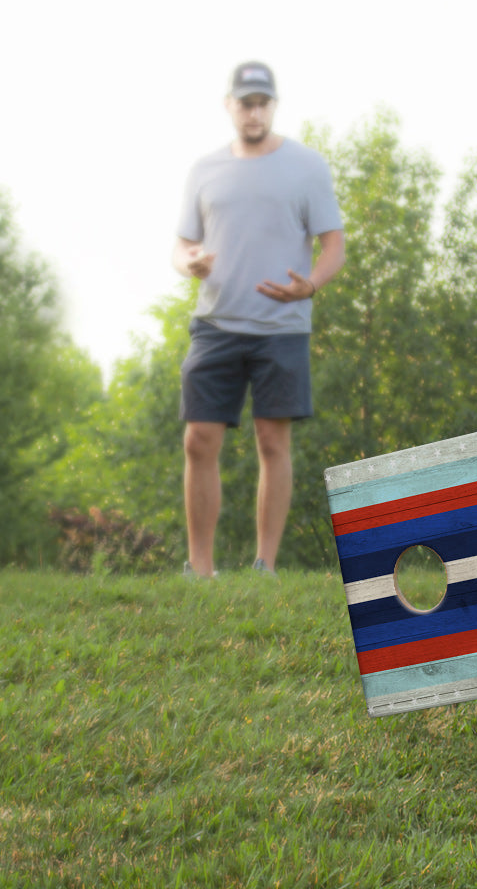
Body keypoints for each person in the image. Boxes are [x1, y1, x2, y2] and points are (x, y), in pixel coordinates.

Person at [173, 60, 345, 578]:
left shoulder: (307, 166)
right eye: (245, 102)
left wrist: (310, 284)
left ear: (273, 106)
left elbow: (334, 244)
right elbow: (182, 245)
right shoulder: (204, 169)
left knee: (273, 441)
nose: (253, 111)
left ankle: (264, 565)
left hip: (281, 327)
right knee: (198, 439)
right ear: (230, 106)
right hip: (215, 325)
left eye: (262, 102)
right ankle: (200, 568)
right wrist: (190, 263)